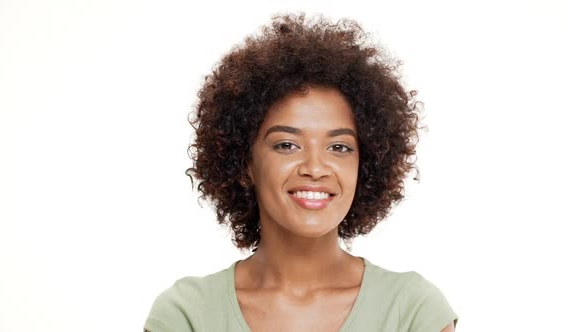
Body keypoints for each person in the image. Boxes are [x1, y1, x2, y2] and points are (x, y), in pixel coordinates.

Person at [144, 12, 458, 332]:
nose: (315, 168)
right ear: (245, 163)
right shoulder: (187, 314)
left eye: (339, 148)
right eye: (287, 145)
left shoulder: (412, 311)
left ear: (364, 165)